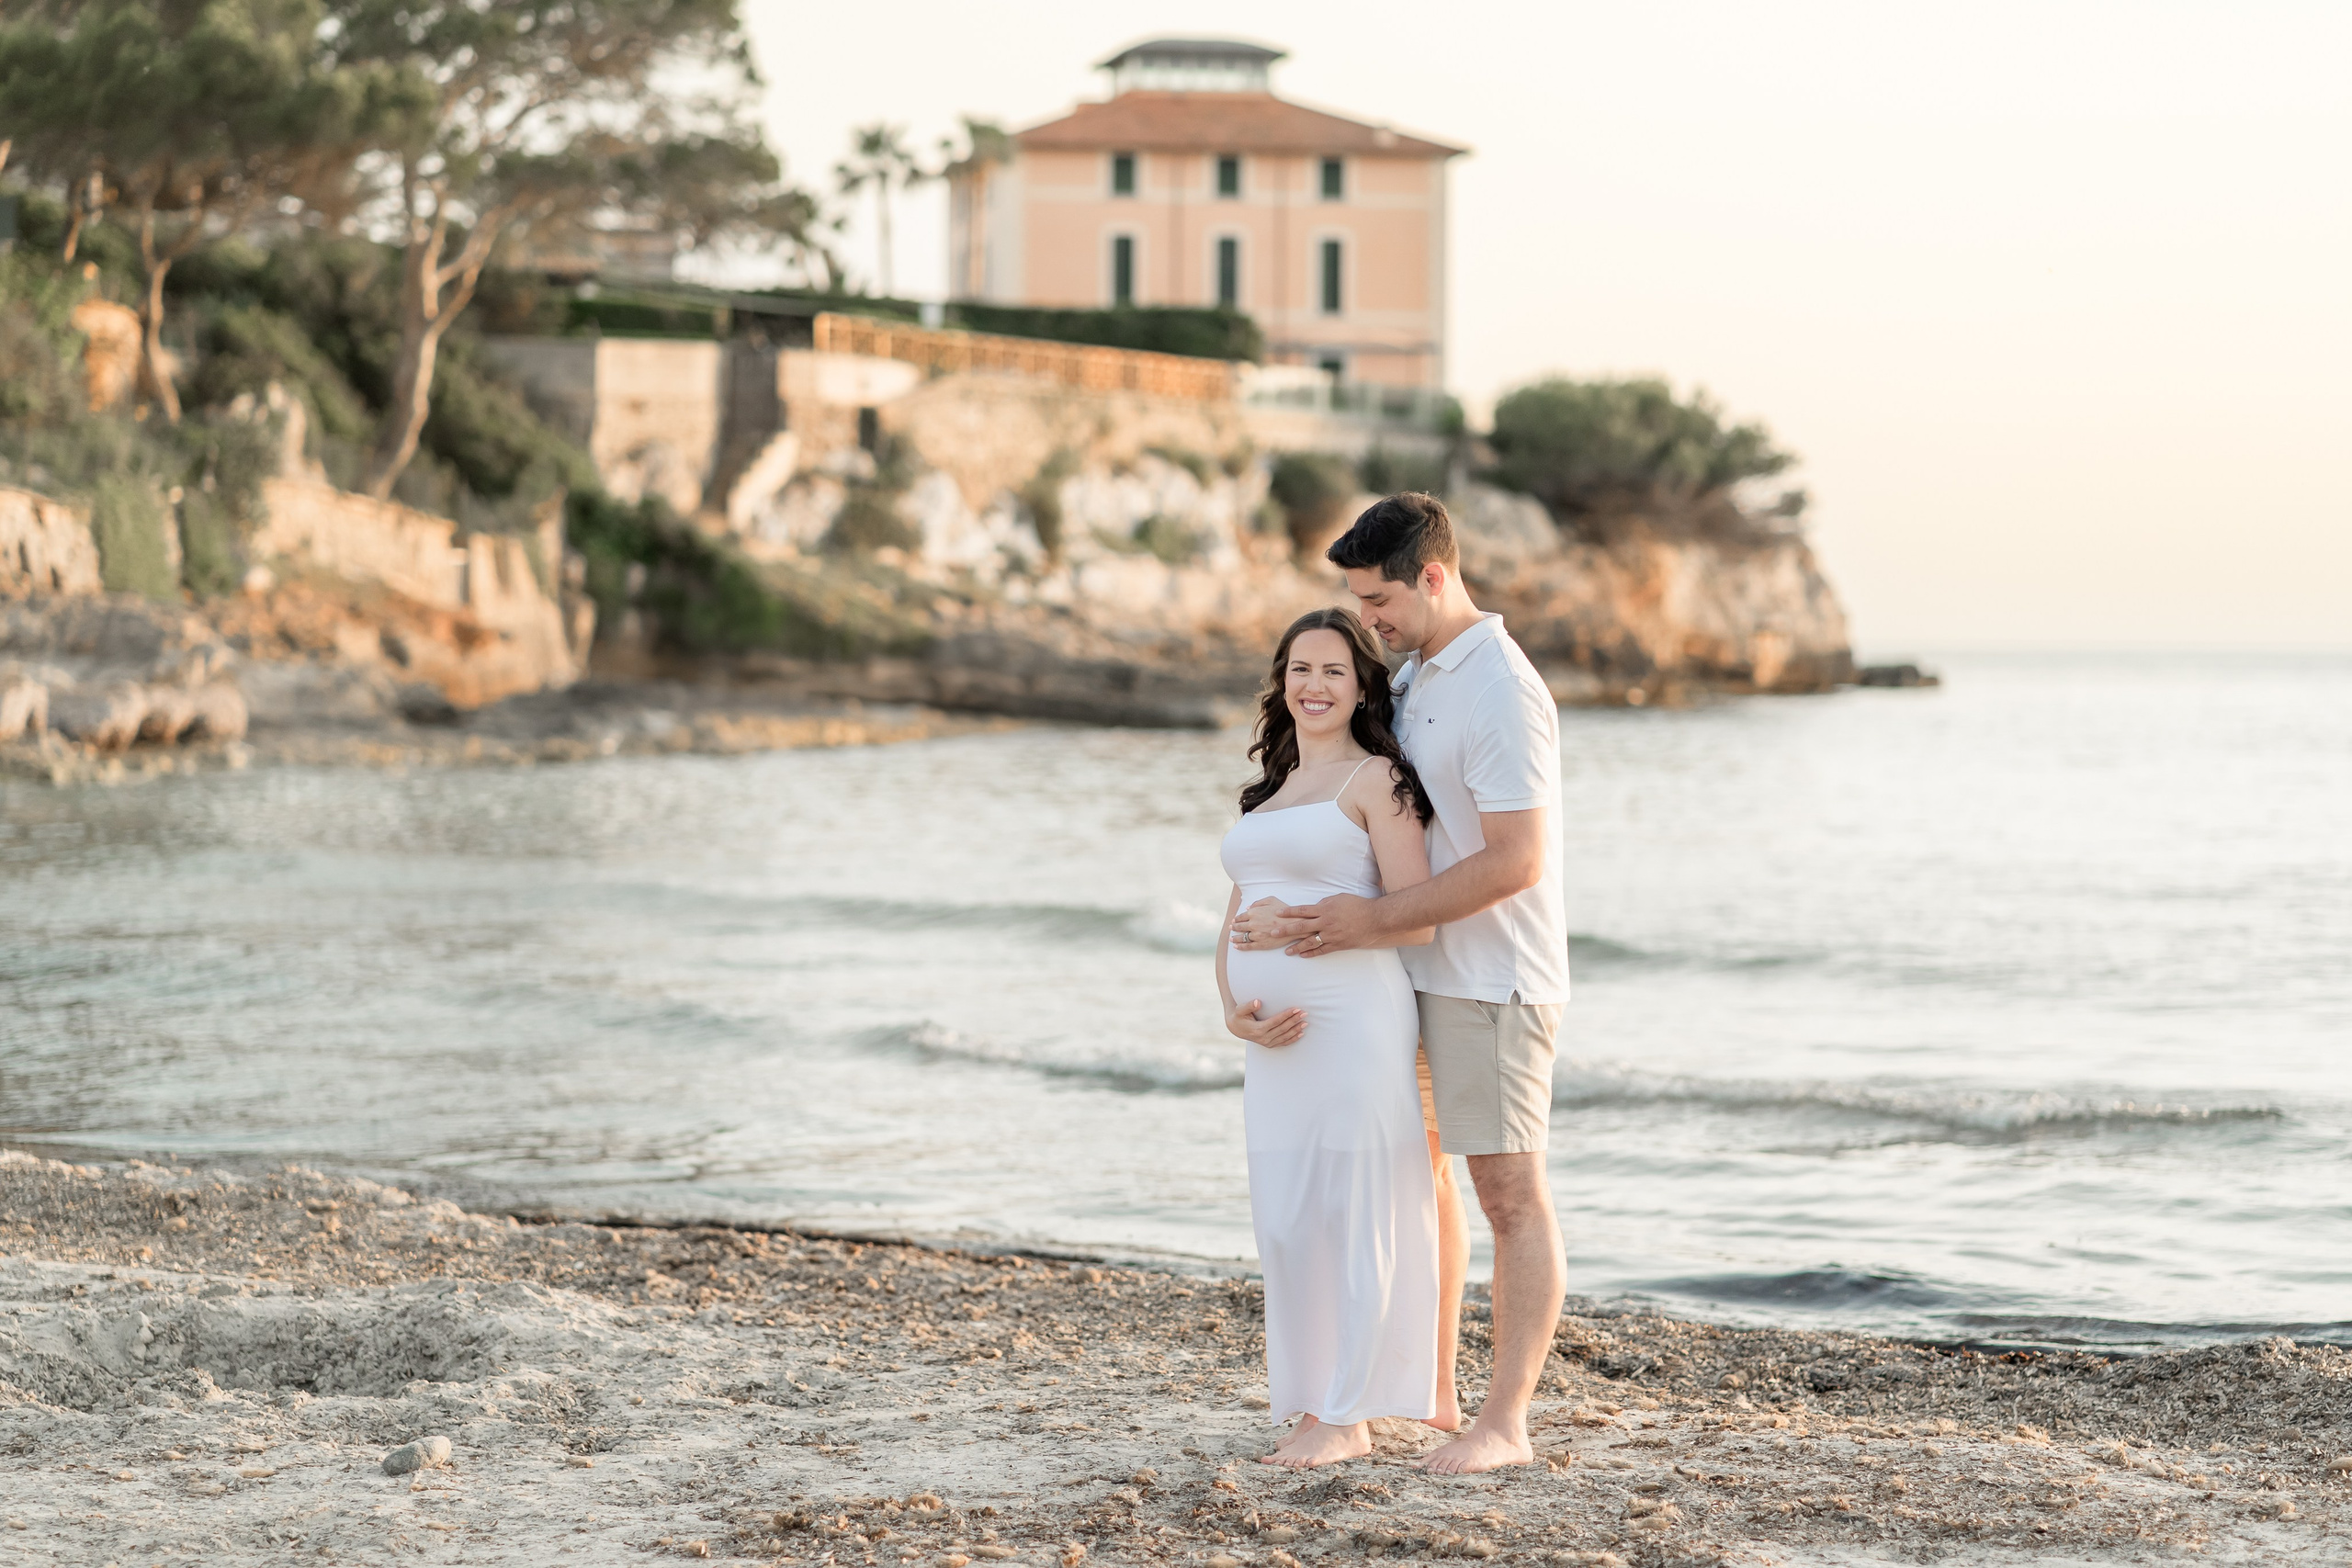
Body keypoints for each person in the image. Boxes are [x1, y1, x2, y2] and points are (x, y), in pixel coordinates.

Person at [1232, 493, 1569, 1474]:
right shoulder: (1420, 674)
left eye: (1377, 599)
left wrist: (1359, 924)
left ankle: (1504, 1426)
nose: (1366, 619)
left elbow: (1517, 860)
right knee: (1417, 1188)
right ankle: (1430, 1395)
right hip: (1405, 982)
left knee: (1509, 1194)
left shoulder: (1499, 685)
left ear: (1431, 576)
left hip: (1490, 979)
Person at [1216, 606, 1444, 1470]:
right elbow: (1235, 921)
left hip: (1353, 1023)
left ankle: (1350, 1414)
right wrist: (1231, 1011)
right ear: (1281, 681)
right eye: (1299, 669)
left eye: (1333, 671)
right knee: (1287, 1216)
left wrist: (1303, 923)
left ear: (1360, 688)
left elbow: (1413, 916)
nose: (1313, 685)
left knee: (1353, 1207)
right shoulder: (1268, 794)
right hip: (1271, 1042)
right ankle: (1312, 1396)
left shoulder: (1377, 780)